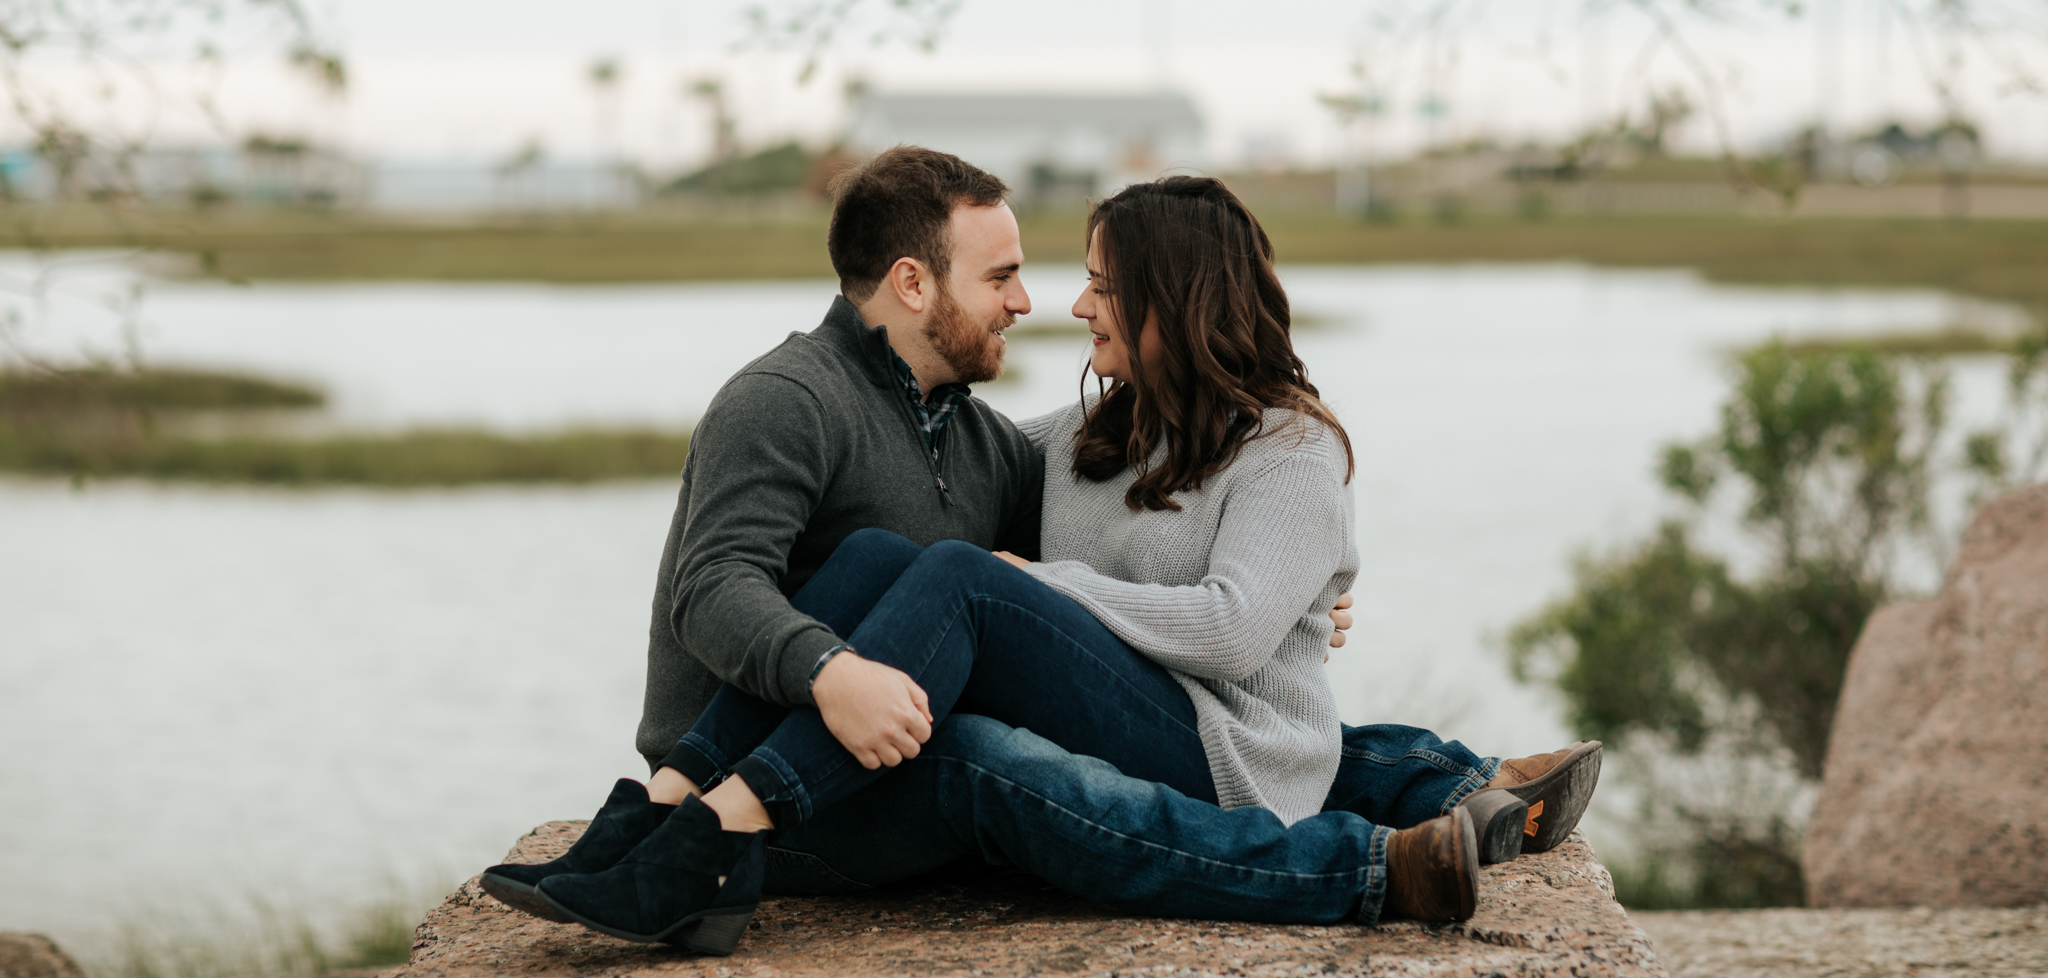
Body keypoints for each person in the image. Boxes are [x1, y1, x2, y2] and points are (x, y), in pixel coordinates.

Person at [478, 148, 1601, 949]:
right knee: (888, 566)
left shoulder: (1280, 451)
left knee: (966, 628)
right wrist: (850, 657)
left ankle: (697, 836)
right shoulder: (1028, 438)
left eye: (1098, 285)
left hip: (1218, 738)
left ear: (1172, 301)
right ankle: (672, 818)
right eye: (1009, 278)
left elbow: (1228, 623)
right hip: (961, 731)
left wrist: (1289, 597)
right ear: (913, 285)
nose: (1057, 305)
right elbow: (770, 576)